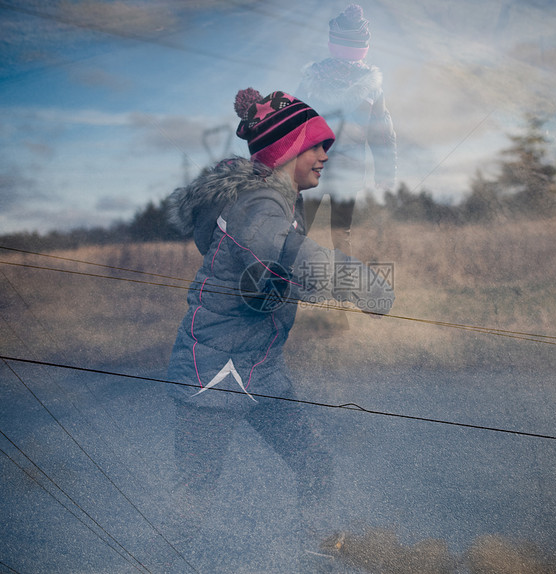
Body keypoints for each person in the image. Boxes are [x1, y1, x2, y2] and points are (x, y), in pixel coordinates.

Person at [164, 87, 395, 559]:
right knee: (193, 494)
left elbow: (270, 270)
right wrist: (360, 283)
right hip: (213, 372)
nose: (323, 155)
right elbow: (287, 252)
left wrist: (295, 286)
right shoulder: (259, 204)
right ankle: (163, 561)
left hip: (259, 368)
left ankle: (315, 549)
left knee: (313, 464)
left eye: (325, 145)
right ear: (288, 148)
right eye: (315, 145)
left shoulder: (281, 202)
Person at [297, 3, 397, 255]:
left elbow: (292, 122)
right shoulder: (372, 86)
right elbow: (381, 132)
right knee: (342, 231)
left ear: (333, 43)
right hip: (350, 167)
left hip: (310, 164)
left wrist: (276, 160)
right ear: (363, 47)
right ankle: (343, 285)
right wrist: (385, 171)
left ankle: (285, 281)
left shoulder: (312, 78)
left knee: (298, 228)